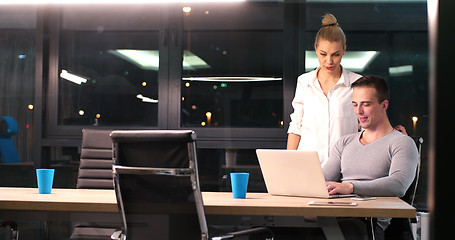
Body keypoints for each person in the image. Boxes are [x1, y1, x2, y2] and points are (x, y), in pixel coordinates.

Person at [322, 76, 419, 239]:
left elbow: (399, 184)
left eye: (366, 104)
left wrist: (351, 187)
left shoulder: (402, 143)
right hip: (338, 213)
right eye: (355, 104)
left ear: (384, 105)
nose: (359, 111)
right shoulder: (344, 142)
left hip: (368, 223)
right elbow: (322, 179)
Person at [287, 13, 362, 166]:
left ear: (344, 50)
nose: (329, 61)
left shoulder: (358, 83)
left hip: (345, 167)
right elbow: (296, 126)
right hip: (307, 165)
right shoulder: (304, 82)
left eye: (336, 54)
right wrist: (288, 165)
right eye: (323, 54)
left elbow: (366, 127)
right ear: (315, 49)